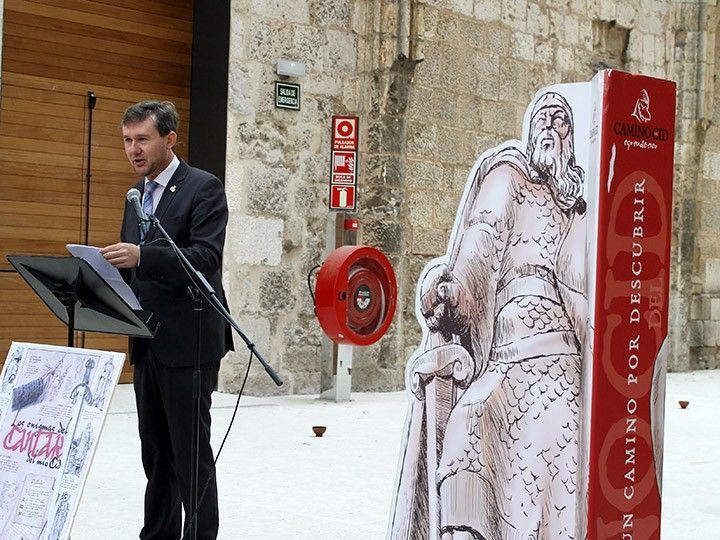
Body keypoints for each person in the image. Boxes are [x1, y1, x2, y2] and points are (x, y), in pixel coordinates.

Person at [391, 92, 587, 539]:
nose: (553, 128)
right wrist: (451, 289)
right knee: (468, 421)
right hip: (505, 354)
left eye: (563, 122)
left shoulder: (580, 206)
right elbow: (482, 239)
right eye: (545, 118)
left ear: (572, 140)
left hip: (562, 357)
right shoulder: (509, 177)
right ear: (530, 127)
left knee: (563, 465)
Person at [101, 100, 233, 540]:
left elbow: (205, 258)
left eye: (142, 139)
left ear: (169, 139)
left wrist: (142, 255)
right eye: (127, 140)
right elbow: (135, 266)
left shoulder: (203, 188)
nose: (133, 149)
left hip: (189, 340)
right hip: (147, 339)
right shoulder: (135, 195)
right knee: (155, 454)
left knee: (189, 454)